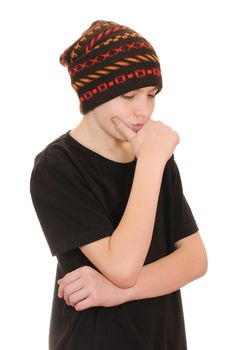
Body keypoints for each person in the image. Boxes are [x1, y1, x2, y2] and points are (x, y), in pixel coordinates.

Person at [30, 20, 208, 350]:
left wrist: (117, 293)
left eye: (151, 95)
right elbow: (123, 267)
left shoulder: (152, 153)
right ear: (92, 94)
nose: (144, 110)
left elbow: (195, 260)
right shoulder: (57, 168)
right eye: (128, 95)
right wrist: (151, 163)